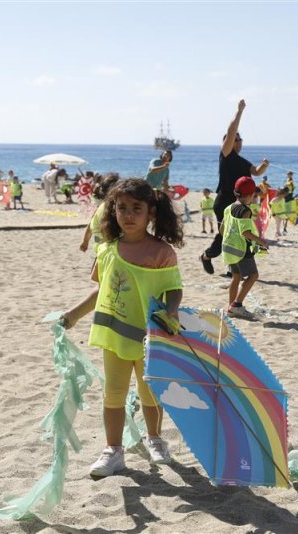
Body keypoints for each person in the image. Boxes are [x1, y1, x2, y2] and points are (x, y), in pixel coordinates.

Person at [61, 178, 184, 477]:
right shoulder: (107, 250)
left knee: (150, 394)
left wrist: (171, 310)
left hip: (149, 338)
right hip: (114, 335)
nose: (128, 215)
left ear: (151, 213)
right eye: (121, 208)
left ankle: (155, 439)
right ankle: (113, 451)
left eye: (136, 209)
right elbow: (100, 291)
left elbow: (174, 288)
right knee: (113, 395)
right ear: (111, 210)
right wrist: (73, 315)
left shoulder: (161, 252)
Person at [200, 99, 270, 274]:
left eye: (240, 140)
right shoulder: (226, 155)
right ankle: (207, 256)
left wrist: (265, 166)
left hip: (238, 203)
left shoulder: (242, 161)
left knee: (238, 234)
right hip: (223, 201)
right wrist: (239, 111)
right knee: (224, 235)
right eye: (234, 139)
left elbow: (256, 171)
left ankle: (233, 270)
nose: (237, 142)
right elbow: (231, 131)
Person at [221, 177, 267, 319]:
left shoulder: (229, 208)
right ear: (249, 195)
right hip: (241, 250)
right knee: (253, 275)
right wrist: (261, 242)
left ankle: (231, 308)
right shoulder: (245, 211)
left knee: (236, 277)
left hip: (227, 248)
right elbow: (245, 232)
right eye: (254, 195)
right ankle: (237, 305)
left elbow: (221, 228)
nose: (254, 198)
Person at [80, 174, 120, 253]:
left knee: (99, 262)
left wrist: (85, 242)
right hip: (108, 247)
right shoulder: (111, 209)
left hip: (99, 245)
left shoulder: (101, 208)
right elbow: (106, 229)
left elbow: (90, 226)